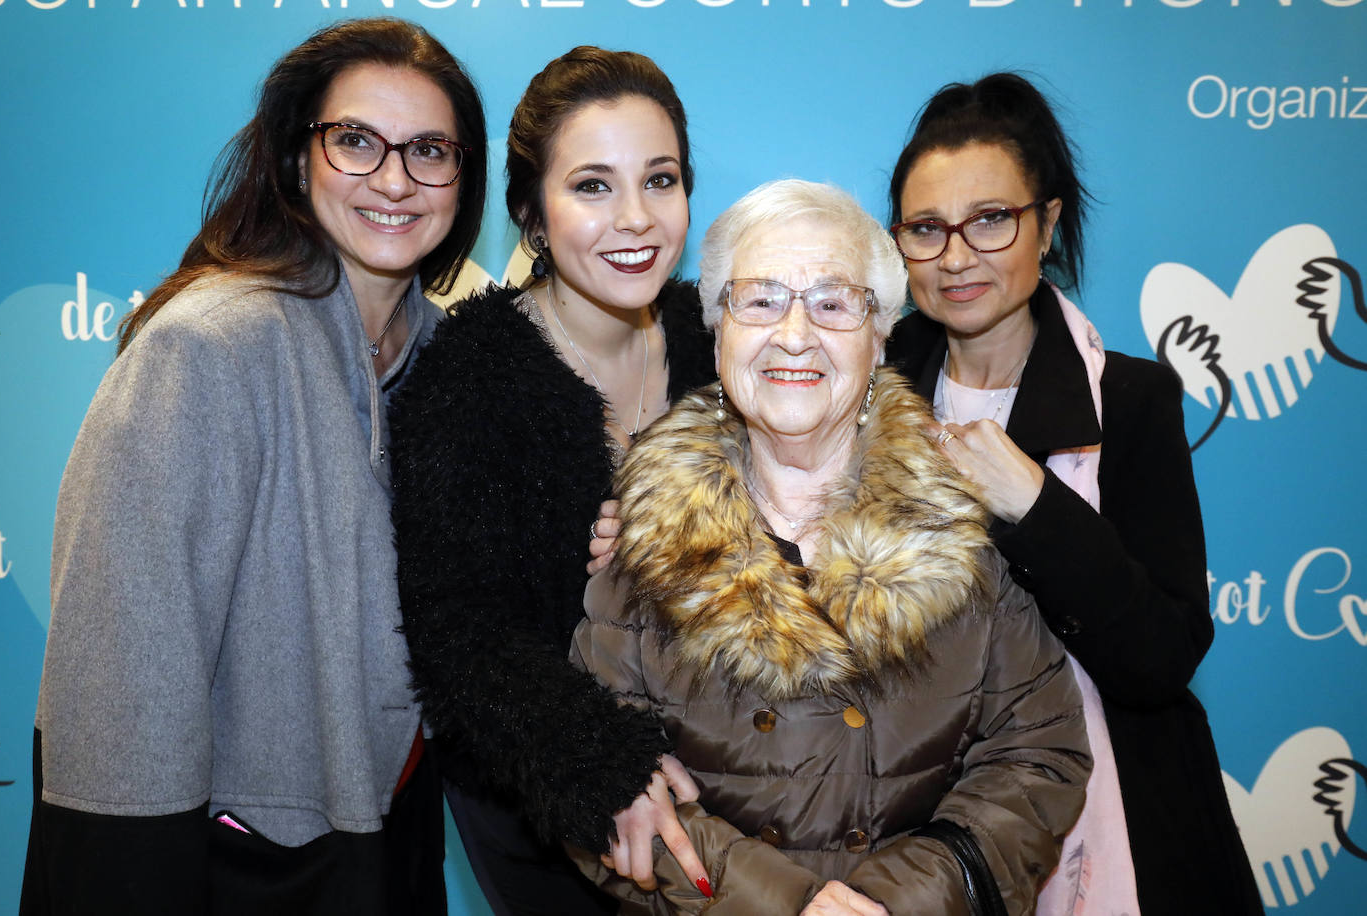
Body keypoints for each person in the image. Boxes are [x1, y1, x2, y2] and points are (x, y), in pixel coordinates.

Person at [19, 18, 486, 914]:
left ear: (462, 180)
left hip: (388, 843)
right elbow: (121, 678)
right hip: (230, 867)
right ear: (293, 158)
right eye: (355, 141)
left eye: (429, 150)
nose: (394, 178)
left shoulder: (450, 359)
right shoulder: (208, 346)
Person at [570, 179, 1092, 916]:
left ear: (880, 335)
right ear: (717, 328)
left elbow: (1041, 754)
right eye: (759, 299)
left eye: (832, 302)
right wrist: (788, 907)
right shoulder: (640, 543)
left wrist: (898, 903)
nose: (794, 333)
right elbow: (594, 779)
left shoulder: (964, 527)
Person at [884, 72, 1263, 914]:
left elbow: (1162, 657)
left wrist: (1036, 504)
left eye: (990, 220)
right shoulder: (865, 401)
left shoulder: (1129, 401)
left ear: (1046, 222)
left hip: (1122, 818)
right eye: (925, 228)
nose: (956, 256)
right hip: (920, 827)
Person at [388, 47, 716, 915]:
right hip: (541, 794)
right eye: (593, 187)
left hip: (739, 768)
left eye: (661, 179)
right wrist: (599, 766)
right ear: (531, 211)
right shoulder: (468, 377)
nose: (636, 219)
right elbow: (458, 636)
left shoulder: (725, 343)